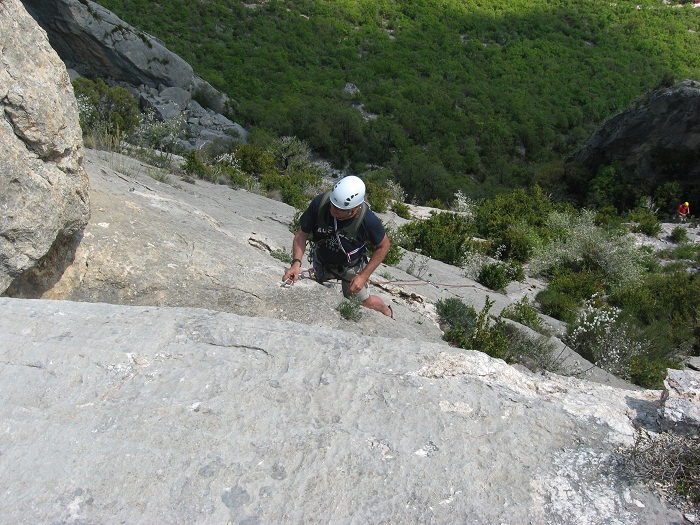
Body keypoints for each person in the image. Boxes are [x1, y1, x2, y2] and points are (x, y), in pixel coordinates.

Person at [282, 175, 393, 317]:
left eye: (339, 209)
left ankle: (385, 309)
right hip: (322, 260)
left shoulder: (367, 220)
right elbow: (302, 234)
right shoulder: (321, 203)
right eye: (332, 205)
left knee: (362, 301)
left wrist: (363, 276)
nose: (333, 210)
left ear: (355, 209)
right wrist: (296, 263)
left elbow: (384, 245)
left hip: (350, 266)